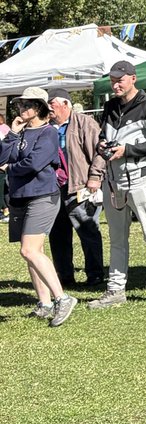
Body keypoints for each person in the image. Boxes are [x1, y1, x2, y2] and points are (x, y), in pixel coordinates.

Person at [86, 60, 146, 309]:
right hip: (113, 181)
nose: (115, 84)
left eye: (120, 79)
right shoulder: (110, 106)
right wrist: (102, 145)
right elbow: (105, 136)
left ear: (133, 79)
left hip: (141, 178)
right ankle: (115, 289)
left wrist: (127, 150)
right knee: (116, 237)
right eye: (113, 80)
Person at [0, 87, 77, 327]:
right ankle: (44, 303)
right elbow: (2, 157)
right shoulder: (21, 132)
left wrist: (10, 169)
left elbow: (33, 164)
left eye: (27, 105)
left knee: (29, 250)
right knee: (34, 253)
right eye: (20, 105)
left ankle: (62, 298)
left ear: (41, 108)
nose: (22, 109)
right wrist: (12, 133)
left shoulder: (48, 133)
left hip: (42, 196)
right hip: (20, 196)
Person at [46, 86, 105, 289]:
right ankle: (64, 277)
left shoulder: (85, 123)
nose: (49, 108)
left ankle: (95, 274)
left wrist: (95, 176)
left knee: (88, 231)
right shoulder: (47, 127)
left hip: (80, 186)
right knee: (58, 235)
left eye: (52, 103)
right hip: (54, 189)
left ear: (65, 104)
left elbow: (100, 152)